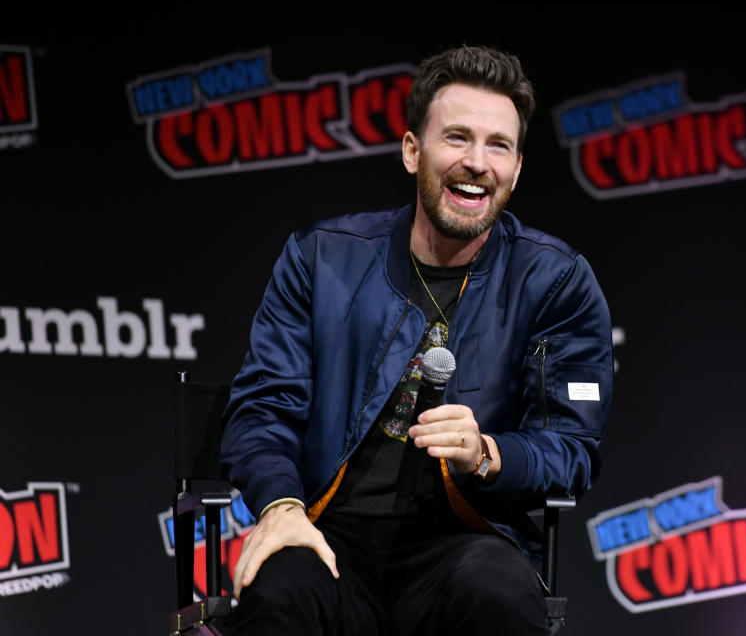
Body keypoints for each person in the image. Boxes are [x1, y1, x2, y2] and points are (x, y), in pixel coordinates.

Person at [220, 45, 613, 635]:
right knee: (280, 586)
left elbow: (572, 448)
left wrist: (488, 453)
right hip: (330, 533)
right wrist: (280, 508)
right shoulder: (322, 257)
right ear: (412, 152)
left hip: (469, 541)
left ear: (517, 168)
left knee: (500, 594)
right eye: (456, 138)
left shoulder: (557, 280)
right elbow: (262, 408)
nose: (477, 162)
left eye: (498, 145)